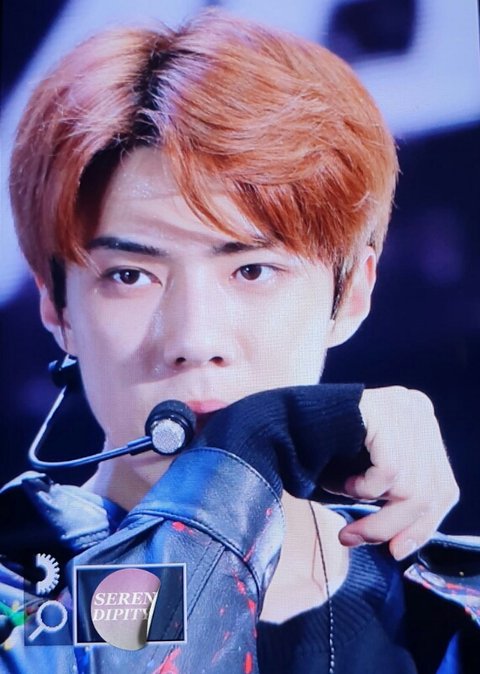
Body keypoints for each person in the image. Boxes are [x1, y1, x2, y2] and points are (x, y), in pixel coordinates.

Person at [1, 9, 478, 673]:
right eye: (130, 275)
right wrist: (243, 454)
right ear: (57, 309)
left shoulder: (456, 611)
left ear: (352, 293)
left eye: (252, 271)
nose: (195, 339)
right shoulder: (23, 602)